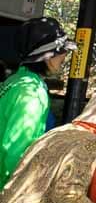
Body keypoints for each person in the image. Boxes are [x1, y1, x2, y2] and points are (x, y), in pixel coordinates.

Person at [0, 16, 77, 187]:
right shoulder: (32, 91)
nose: (65, 56)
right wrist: (24, 190)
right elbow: (17, 150)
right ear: (48, 56)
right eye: (62, 51)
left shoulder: (15, 80)